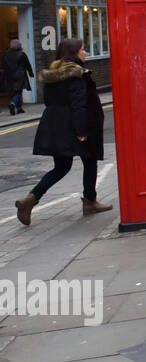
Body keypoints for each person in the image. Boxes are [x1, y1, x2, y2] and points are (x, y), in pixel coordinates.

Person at [14, 38, 111, 225]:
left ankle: (30, 200)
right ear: (74, 53)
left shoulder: (54, 73)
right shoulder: (76, 74)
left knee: (61, 167)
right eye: (83, 50)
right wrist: (81, 130)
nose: (85, 53)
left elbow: (49, 101)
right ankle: (90, 202)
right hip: (74, 125)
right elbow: (78, 104)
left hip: (55, 125)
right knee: (90, 160)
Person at [4, 38, 34, 115]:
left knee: (16, 91)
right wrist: (31, 73)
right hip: (20, 75)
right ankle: (13, 103)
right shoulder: (22, 54)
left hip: (10, 75)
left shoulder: (6, 54)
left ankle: (19, 108)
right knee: (19, 91)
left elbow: (4, 66)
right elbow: (27, 65)